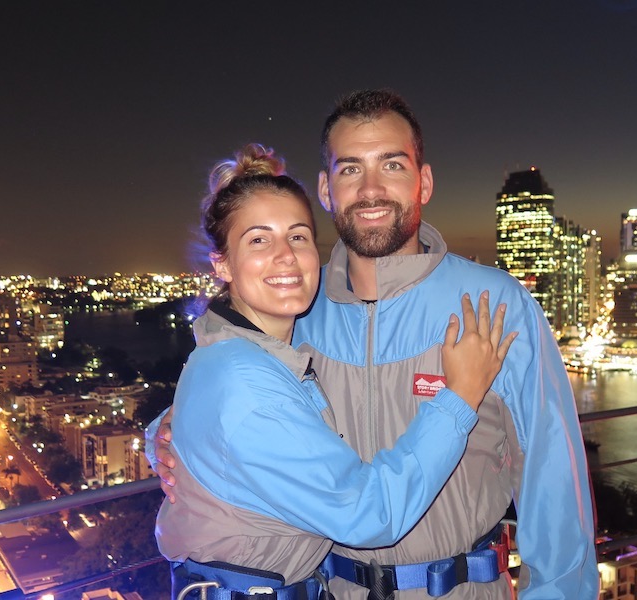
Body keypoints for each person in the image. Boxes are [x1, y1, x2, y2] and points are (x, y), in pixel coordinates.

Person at [150, 90, 599, 598]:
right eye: (349, 170)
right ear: (325, 188)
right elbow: (244, 400)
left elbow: (553, 481)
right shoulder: (301, 310)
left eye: (391, 165)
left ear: (423, 181)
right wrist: (167, 432)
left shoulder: (493, 304)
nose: (370, 190)